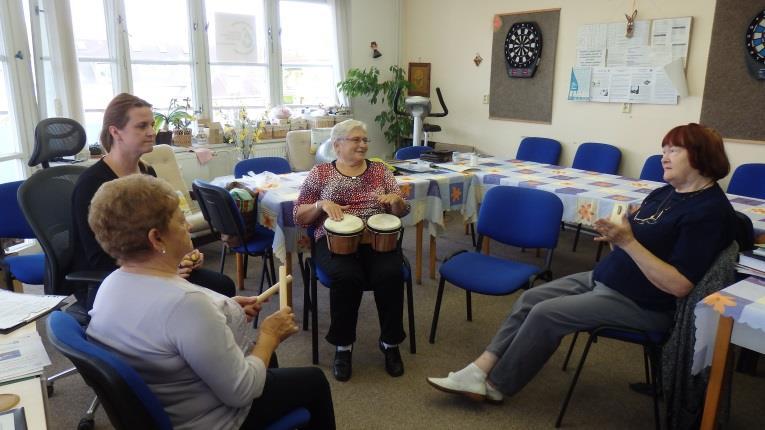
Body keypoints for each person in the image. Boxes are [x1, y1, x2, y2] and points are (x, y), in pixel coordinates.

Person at [427, 123, 736, 403]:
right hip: (608, 279)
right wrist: (618, 236)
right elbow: (636, 242)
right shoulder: (665, 193)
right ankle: (479, 371)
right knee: (531, 298)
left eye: (674, 150)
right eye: (664, 149)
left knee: (545, 314)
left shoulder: (709, 213)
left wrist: (627, 241)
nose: (663, 157)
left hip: (645, 303)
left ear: (700, 156)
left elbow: (680, 285)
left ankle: (496, 385)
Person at [86, 174, 335, 429]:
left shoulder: (112, 283)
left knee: (270, 367)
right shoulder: (186, 305)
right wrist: (269, 336)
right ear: (156, 238)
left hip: (173, 402)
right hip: (211, 418)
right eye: (180, 220)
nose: (189, 226)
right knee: (314, 380)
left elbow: (167, 330)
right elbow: (242, 391)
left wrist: (222, 310)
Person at [71, 93, 235, 300]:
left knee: (223, 286)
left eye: (151, 125)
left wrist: (183, 256)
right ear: (115, 132)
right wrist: (161, 271)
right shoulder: (92, 184)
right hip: (115, 281)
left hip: (153, 268)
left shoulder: (147, 172)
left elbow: (161, 233)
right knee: (210, 295)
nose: (151, 132)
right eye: (141, 126)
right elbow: (96, 258)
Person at [293, 119, 410, 381]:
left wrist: (396, 202)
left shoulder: (380, 171)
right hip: (335, 242)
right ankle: (343, 347)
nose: (363, 145)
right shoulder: (321, 173)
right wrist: (321, 205)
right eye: (356, 140)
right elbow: (299, 215)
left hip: (378, 240)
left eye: (365, 140)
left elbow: (402, 211)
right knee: (347, 277)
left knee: (390, 273)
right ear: (337, 145)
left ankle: (390, 343)